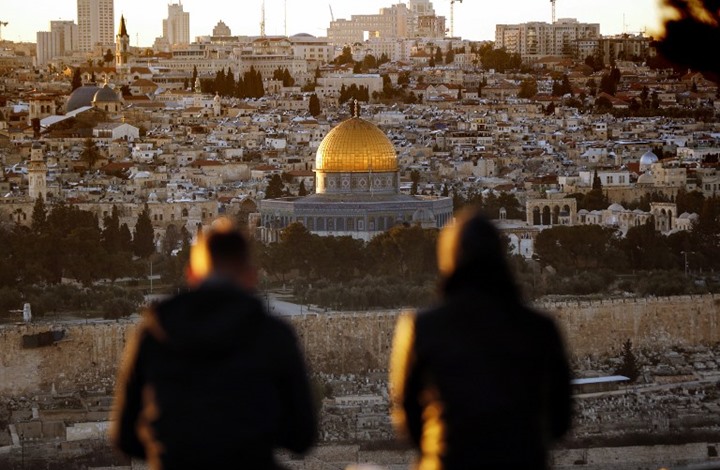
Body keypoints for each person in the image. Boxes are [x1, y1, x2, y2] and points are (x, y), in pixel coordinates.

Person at [111, 223, 316, 469]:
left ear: (191, 274)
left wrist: (171, 450)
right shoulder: (274, 336)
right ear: (251, 276)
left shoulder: (153, 333)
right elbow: (301, 437)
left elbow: (125, 438)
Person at [389, 208, 572, 469]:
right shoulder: (540, 328)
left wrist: (436, 449)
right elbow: (560, 420)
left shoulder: (423, 327)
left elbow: (407, 416)